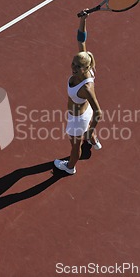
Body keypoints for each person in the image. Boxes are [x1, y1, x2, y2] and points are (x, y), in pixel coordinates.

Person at [54, 11, 103, 175]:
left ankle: (70, 167)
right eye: (73, 64)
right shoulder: (86, 61)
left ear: (85, 68)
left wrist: (90, 128)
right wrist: (83, 20)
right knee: (87, 130)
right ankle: (93, 140)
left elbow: (99, 111)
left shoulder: (86, 88)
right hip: (85, 111)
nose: (73, 68)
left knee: (75, 145)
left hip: (78, 119)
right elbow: (81, 39)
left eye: (77, 67)